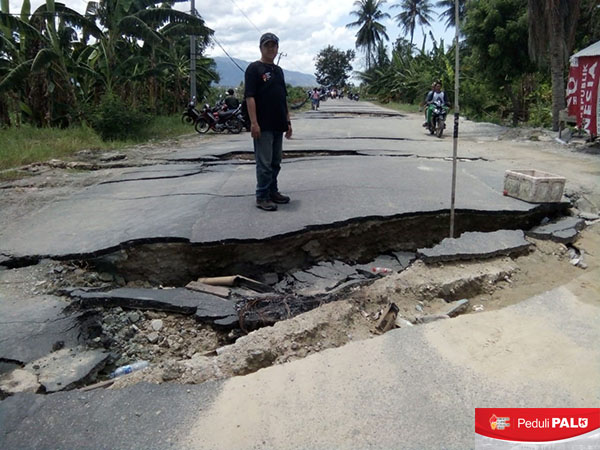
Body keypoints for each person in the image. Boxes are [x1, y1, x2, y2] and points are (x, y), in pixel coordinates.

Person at [244, 32, 292, 211]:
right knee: (264, 163)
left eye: (274, 45)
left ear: (277, 48)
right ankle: (262, 196)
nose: (271, 48)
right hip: (262, 125)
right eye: (267, 45)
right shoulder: (254, 69)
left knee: (275, 162)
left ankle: (273, 191)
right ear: (261, 48)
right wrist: (254, 122)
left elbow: (283, 98)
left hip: (278, 123)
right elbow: (250, 97)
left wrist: (288, 122)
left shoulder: (278, 71)